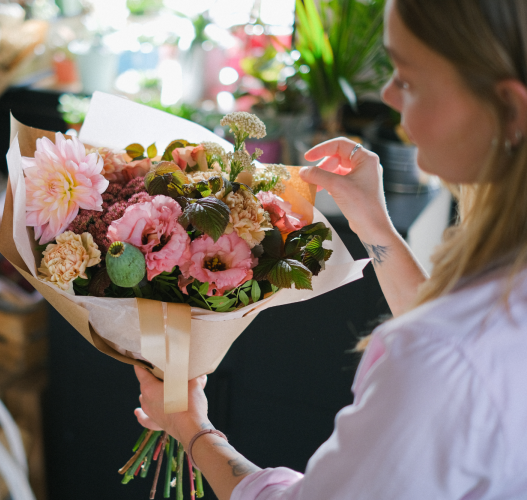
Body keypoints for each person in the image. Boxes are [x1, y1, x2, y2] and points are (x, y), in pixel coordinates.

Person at [134, 0, 527, 498]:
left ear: (509, 109)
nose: (387, 95)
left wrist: (191, 429)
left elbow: (447, 352)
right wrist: (372, 222)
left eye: (407, 79)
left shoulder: (436, 358)